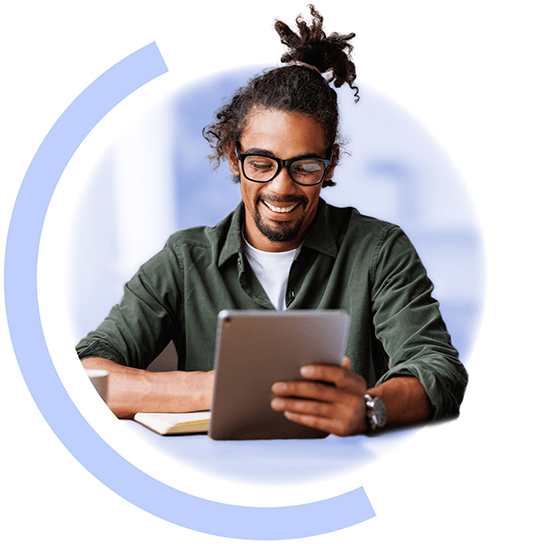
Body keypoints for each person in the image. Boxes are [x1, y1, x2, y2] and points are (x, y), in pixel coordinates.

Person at [76, 5, 468, 435]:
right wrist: (219, 388)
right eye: (262, 163)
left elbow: (439, 370)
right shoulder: (184, 260)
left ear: (331, 164)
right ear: (232, 157)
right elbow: (88, 375)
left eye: (304, 167)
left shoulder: (379, 250)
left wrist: (370, 407)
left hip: (345, 467)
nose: (281, 188)